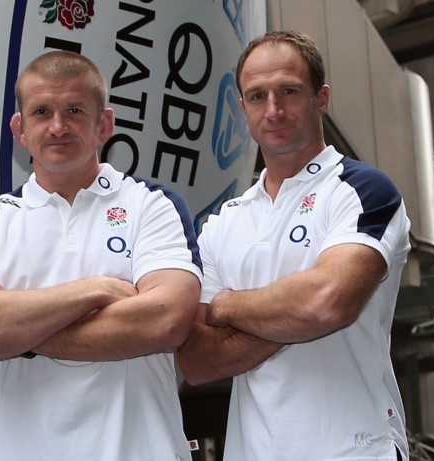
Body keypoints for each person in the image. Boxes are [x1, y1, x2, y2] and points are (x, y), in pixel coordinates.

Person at [0, 50, 202, 460]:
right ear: (20, 129)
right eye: (42, 112)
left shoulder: (153, 205)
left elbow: (168, 320)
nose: (58, 126)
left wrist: (15, 330)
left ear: (105, 124)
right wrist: (96, 290)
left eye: (75, 110)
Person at [176, 30, 411, 461]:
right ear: (242, 106)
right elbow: (195, 360)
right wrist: (292, 313)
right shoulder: (224, 222)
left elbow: (326, 304)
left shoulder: (362, 189)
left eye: (289, 91)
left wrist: (225, 307)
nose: (274, 109)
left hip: (356, 449)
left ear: (321, 98)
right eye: (257, 95)